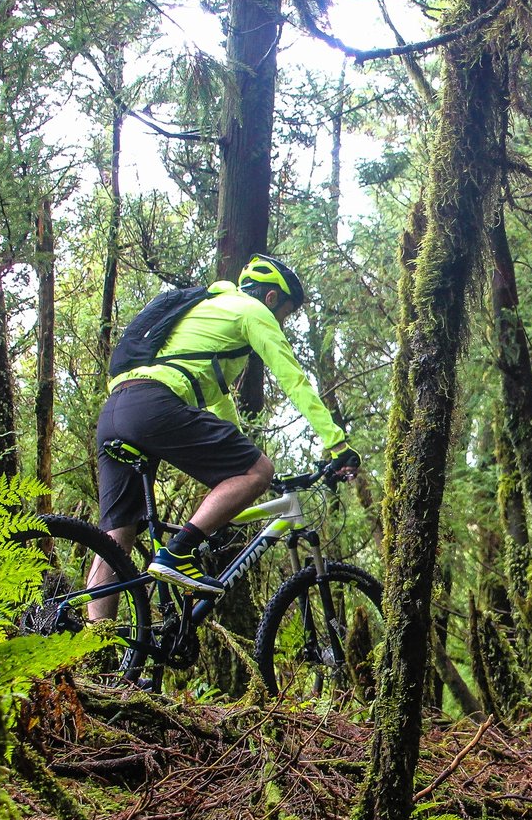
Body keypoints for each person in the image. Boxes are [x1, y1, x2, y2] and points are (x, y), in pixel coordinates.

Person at [89, 253, 356, 607]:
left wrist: (245, 466)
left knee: (117, 536)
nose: (281, 322)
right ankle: (177, 553)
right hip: (153, 404)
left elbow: (220, 407)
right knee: (258, 470)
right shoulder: (252, 310)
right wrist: (336, 444)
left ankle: (93, 652)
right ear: (271, 297)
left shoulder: (211, 311)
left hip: (116, 411)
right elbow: (295, 381)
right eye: (285, 314)